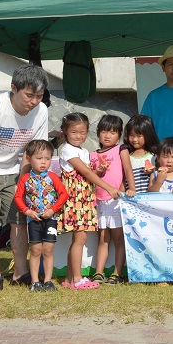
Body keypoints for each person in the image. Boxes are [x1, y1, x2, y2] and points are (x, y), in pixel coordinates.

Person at [0, 64, 49, 292]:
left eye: (39, 96)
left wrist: (23, 183)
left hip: (15, 170)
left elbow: (33, 151)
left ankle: (20, 272)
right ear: (14, 88)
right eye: (29, 95)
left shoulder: (41, 111)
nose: (34, 101)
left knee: (19, 219)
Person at [57, 113, 120, 290]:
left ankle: (70, 279)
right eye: (74, 132)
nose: (79, 136)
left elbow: (89, 173)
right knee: (80, 238)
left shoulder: (83, 151)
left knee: (78, 238)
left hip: (84, 200)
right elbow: (85, 174)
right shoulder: (68, 150)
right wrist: (107, 187)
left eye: (83, 132)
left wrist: (98, 170)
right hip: (75, 201)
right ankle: (77, 279)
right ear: (65, 132)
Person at [13, 140, 68, 292]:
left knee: (48, 250)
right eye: (39, 158)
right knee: (36, 250)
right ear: (29, 159)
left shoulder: (53, 177)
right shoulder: (24, 179)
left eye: (47, 158)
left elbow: (64, 194)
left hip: (50, 220)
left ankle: (48, 281)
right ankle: (35, 281)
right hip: (33, 220)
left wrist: (53, 210)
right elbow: (18, 197)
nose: (43, 162)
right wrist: (27, 211)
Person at [90, 115, 127, 285]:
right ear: (98, 133)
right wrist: (98, 171)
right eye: (104, 131)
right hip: (99, 201)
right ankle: (99, 272)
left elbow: (128, 171)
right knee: (103, 238)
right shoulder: (91, 155)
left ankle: (117, 273)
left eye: (113, 132)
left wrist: (129, 188)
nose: (107, 135)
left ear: (119, 135)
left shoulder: (121, 149)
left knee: (119, 239)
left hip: (116, 200)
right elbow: (90, 178)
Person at [121, 115, 160, 197]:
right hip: (132, 201)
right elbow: (124, 180)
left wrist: (152, 173)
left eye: (139, 136)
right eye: (131, 135)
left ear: (148, 135)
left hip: (151, 201)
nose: (134, 139)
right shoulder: (126, 156)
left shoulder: (155, 156)